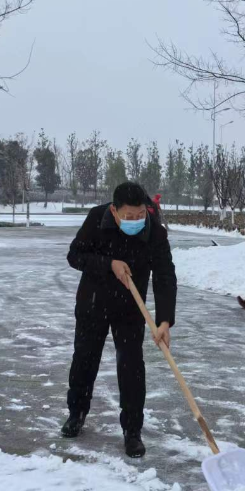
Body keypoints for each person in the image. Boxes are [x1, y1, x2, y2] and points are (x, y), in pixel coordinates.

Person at [62, 181, 177, 458]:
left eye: (140, 215)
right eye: (129, 216)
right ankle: (77, 413)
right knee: (84, 360)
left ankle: (132, 430)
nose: (136, 221)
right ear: (114, 211)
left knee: (131, 367)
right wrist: (108, 264)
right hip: (93, 304)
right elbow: (74, 255)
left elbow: (165, 276)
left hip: (130, 309)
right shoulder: (96, 219)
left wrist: (164, 321)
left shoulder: (155, 233)